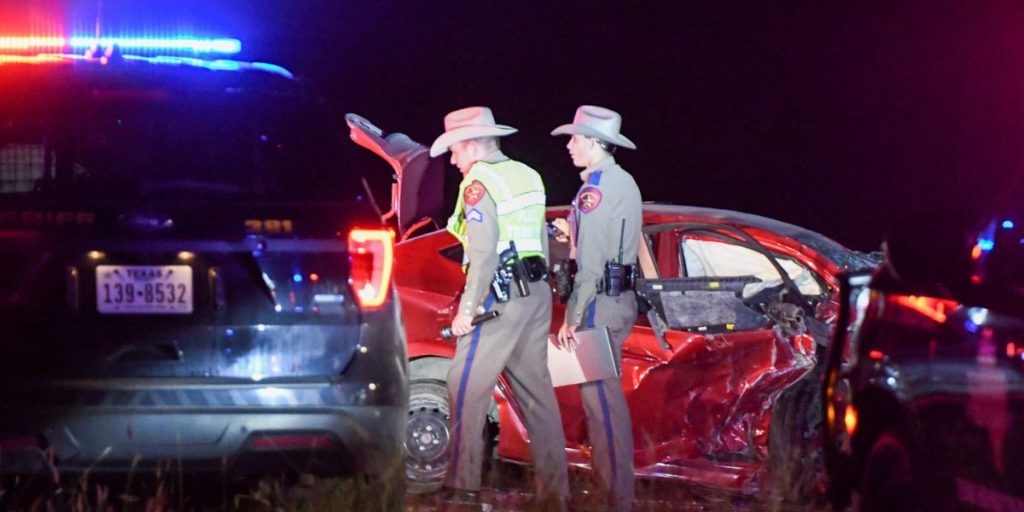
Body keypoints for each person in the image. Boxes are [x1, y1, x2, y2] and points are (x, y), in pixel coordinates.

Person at [430, 106, 570, 511]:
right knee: (538, 396)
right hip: (536, 294)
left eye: (455, 151)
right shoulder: (528, 175)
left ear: (472, 145)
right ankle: (554, 494)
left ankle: (462, 487)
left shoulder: (478, 182)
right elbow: (539, 240)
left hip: (499, 296)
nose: (454, 161)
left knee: (464, 387)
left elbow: (484, 251)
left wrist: (467, 311)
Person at [552, 105, 642, 512]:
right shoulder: (621, 182)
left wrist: (572, 317)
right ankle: (613, 493)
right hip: (616, 300)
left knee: (602, 405)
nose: (569, 145)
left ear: (592, 141)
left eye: (574, 138)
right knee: (602, 401)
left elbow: (590, 266)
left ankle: (616, 499)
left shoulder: (596, 188)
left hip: (598, 305)